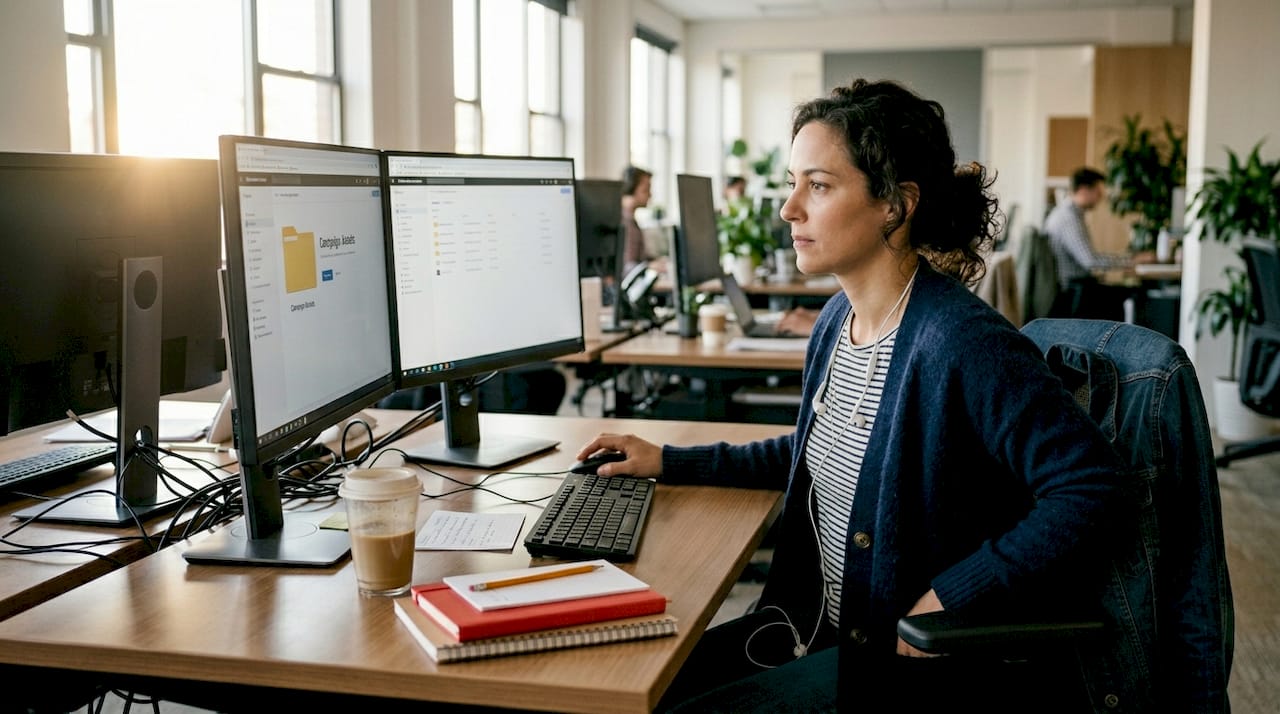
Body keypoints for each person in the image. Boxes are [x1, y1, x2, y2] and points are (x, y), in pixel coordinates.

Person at [576, 79, 1128, 712]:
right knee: (631, 687)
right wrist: (671, 462)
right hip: (811, 626)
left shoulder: (961, 341)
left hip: (898, 662)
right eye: (792, 183)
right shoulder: (839, 320)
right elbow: (819, 452)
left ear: (895, 204)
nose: (788, 209)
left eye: (818, 185)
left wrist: (956, 594)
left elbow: (1092, 485)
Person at [1043, 167, 1154, 319]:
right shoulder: (1068, 218)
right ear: (1083, 190)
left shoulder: (1071, 214)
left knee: (1129, 291)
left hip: (1077, 288)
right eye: (1098, 192)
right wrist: (1131, 260)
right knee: (1136, 294)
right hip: (1074, 292)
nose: (1101, 197)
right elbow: (1091, 261)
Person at [621, 165, 653, 273]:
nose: (650, 194)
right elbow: (627, 267)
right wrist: (651, 267)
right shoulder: (623, 222)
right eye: (646, 189)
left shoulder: (630, 219)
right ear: (631, 187)